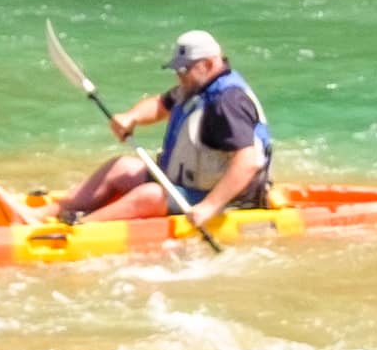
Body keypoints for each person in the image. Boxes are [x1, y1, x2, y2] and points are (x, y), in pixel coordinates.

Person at [60, 28, 274, 227]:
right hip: (187, 185)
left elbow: (248, 162)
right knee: (122, 167)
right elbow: (160, 105)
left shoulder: (228, 102)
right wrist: (131, 117)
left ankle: (82, 226)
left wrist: (209, 207)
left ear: (208, 64)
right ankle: (55, 211)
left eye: (184, 69)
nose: (178, 75)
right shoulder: (196, 87)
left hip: (226, 198)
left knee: (151, 195)